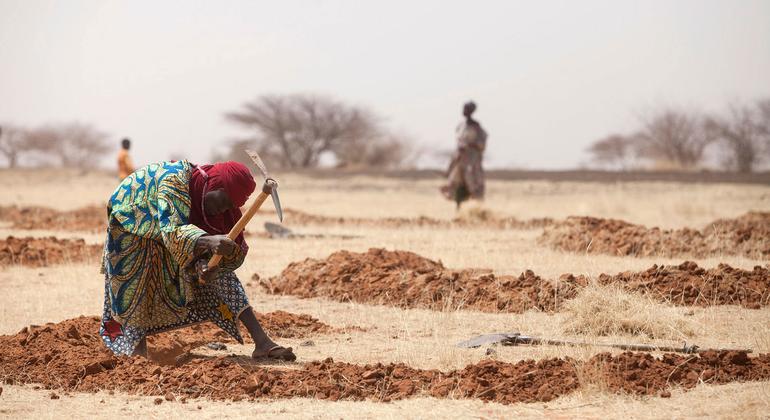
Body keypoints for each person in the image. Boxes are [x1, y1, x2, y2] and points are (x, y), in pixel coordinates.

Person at [99, 159, 296, 361]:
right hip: (132, 221)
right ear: (214, 186)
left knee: (223, 275)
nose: (223, 210)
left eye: (230, 206)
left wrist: (205, 263)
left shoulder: (208, 200)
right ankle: (136, 356)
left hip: (170, 227)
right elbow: (172, 230)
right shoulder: (173, 182)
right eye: (223, 201)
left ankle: (262, 343)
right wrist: (208, 242)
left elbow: (197, 239)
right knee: (135, 283)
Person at [441, 101, 488, 209]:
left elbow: (482, 144)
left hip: (472, 161)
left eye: (467, 109)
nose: (464, 111)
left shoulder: (477, 127)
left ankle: (480, 210)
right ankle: (459, 211)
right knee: (457, 184)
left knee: (473, 184)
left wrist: (469, 145)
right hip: (460, 160)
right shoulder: (461, 126)